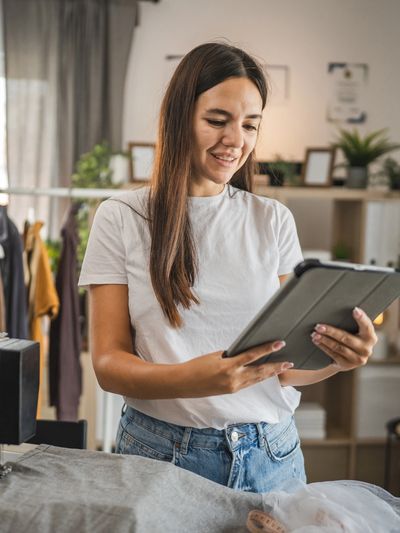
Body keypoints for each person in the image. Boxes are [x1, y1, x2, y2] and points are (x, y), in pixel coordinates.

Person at [78, 42, 377, 493]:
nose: (236, 140)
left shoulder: (272, 219)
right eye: (217, 121)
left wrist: (338, 359)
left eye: (250, 125)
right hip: (162, 457)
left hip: (271, 457)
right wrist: (194, 380)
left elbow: (284, 365)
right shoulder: (121, 216)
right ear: (180, 117)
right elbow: (108, 364)